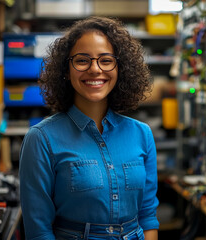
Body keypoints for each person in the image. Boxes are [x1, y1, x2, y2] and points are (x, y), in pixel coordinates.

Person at [19, 16, 159, 240]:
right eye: (82, 60)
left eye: (106, 60)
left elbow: (148, 216)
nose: (95, 69)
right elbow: (39, 232)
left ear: (119, 68)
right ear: (66, 70)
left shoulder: (142, 134)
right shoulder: (41, 139)